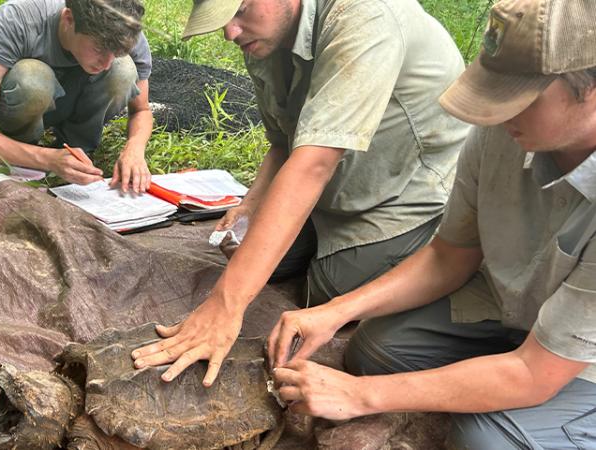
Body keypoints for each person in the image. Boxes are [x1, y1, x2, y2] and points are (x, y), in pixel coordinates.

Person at [265, 0, 596, 447]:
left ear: (589, 87)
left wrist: (362, 396)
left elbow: (534, 373)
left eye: (517, 96)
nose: (497, 112)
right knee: (376, 349)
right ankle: (490, 372)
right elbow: (448, 256)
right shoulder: (500, 129)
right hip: (519, 309)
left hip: (579, 359)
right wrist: (335, 311)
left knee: (483, 438)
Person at [131, 0, 470, 386]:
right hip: (339, 185)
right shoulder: (265, 35)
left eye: (240, 10)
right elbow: (283, 142)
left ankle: (433, 257)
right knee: (250, 254)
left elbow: (314, 164)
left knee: (329, 286)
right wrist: (254, 201)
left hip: (409, 193)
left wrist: (225, 306)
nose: (230, 32)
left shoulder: (364, 18)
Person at [0, 0, 153, 192]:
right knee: (32, 79)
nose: (106, 63)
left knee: (124, 70)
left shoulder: (124, 33)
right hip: (27, 99)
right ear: (68, 20)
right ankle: (23, 150)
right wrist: (47, 159)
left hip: (76, 100)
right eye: (99, 49)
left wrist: (135, 148)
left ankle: (79, 150)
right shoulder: (16, 21)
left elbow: (141, 110)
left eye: (116, 52)